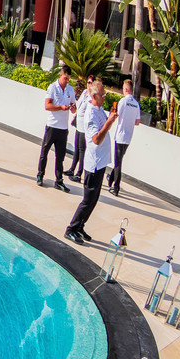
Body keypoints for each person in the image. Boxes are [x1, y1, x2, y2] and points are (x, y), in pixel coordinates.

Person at [65, 76, 118, 244]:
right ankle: (71, 228)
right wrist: (109, 123)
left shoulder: (99, 109)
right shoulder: (90, 114)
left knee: (94, 200)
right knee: (87, 200)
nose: (105, 98)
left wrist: (109, 119)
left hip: (101, 163)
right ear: (94, 96)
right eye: (102, 95)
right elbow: (96, 139)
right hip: (93, 164)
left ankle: (80, 226)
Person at [37, 67, 76, 191]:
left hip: (63, 129)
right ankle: (40, 175)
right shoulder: (52, 87)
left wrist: (73, 107)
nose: (66, 81)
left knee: (60, 157)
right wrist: (60, 107)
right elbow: (47, 106)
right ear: (60, 75)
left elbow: (74, 109)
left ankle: (59, 181)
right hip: (52, 126)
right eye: (65, 78)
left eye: (68, 79)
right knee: (44, 152)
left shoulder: (70, 90)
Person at [108, 89, 142, 196]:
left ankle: (116, 187)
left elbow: (116, 114)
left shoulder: (123, 101)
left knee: (118, 162)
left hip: (120, 135)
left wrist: (112, 112)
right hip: (128, 136)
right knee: (119, 160)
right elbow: (137, 122)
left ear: (126, 89)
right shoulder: (136, 104)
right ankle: (111, 178)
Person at [66, 77, 95, 181]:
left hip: (84, 127)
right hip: (79, 124)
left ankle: (79, 173)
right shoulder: (84, 92)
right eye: (88, 82)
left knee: (82, 150)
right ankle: (72, 169)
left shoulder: (92, 97)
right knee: (77, 148)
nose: (89, 84)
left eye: (91, 83)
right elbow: (80, 105)